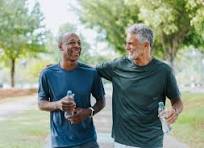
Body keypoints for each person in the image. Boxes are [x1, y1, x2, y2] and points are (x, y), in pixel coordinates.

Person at [96, 23, 183, 148]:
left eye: (131, 43)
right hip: (122, 142)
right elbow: (91, 72)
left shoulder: (164, 71)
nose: (127, 47)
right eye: (126, 43)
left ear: (146, 45)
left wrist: (175, 111)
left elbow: (177, 101)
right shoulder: (118, 66)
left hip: (151, 142)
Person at [38, 32, 105, 148]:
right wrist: (58, 104)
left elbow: (101, 101)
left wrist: (88, 112)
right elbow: (41, 103)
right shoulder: (47, 74)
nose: (77, 46)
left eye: (79, 43)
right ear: (60, 47)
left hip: (88, 141)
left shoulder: (91, 73)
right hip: (60, 141)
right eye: (71, 42)